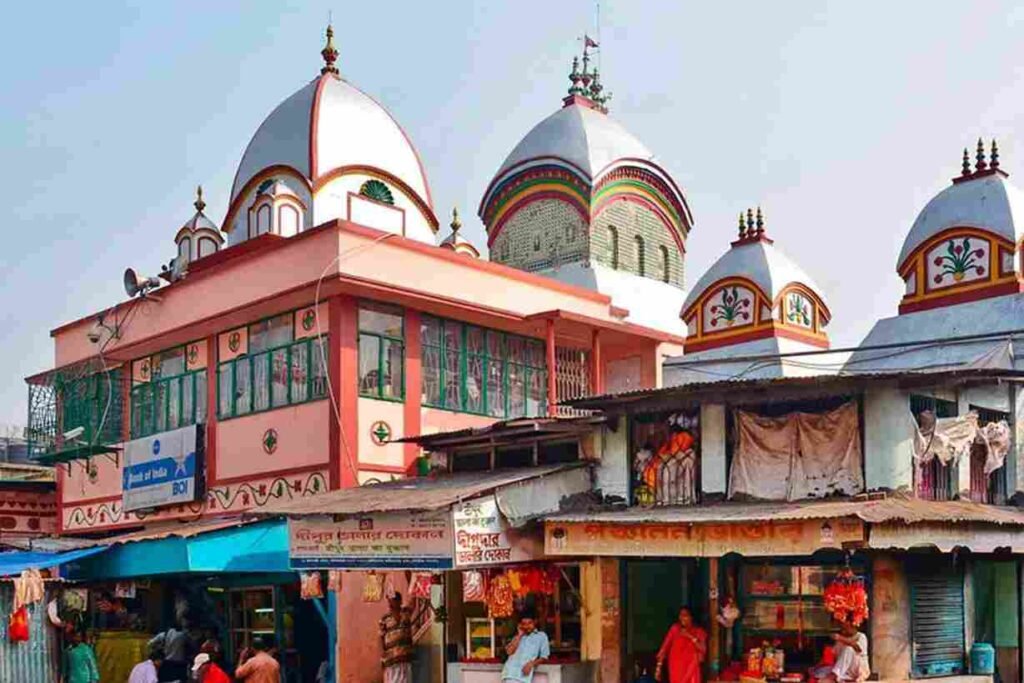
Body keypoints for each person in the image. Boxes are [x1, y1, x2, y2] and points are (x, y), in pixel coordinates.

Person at [656, 607, 707, 683]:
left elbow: (703, 649)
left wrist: (690, 636)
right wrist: (658, 668)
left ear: (691, 617)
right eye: (680, 615)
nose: (682, 618)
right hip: (676, 669)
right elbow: (664, 648)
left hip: (690, 669)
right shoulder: (675, 629)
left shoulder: (699, 632)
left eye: (685, 615)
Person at [501, 609, 551, 683]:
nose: (527, 626)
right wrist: (520, 635)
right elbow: (509, 652)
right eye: (524, 623)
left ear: (535, 622)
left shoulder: (541, 636)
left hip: (524, 677)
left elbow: (544, 657)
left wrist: (531, 664)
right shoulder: (517, 637)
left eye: (529, 623)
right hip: (509, 674)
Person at [379, 592, 415, 683]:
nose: (390, 603)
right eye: (389, 600)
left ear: (399, 601)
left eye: (393, 600)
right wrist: (382, 656)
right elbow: (380, 638)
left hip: (404, 658)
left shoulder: (406, 613)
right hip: (391, 661)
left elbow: (413, 601)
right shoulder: (384, 619)